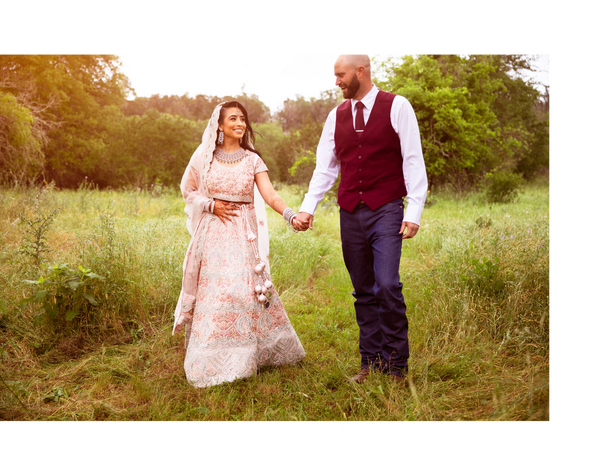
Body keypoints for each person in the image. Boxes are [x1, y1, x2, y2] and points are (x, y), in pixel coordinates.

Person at [295, 51, 428, 384]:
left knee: (386, 285)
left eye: (340, 75)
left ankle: (397, 364)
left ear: (361, 71)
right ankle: (371, 362)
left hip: (386, 209)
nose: (336, 81)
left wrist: (413, 211)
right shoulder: (335, 116)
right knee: (363, 290)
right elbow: (325, 168)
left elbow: (413, 161)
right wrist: (308, 207)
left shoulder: (397, 106)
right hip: (350, 213)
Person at [173, 101, 305, 388]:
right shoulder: (204, 156)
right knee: (218, 293)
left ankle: (248, 358)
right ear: (219, 125)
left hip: (243, 234)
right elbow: (188, 190)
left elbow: (270, 195)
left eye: (243, 119)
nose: (239, 123)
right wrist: (210, 204)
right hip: (214, 234)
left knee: (244, 292)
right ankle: (211, 359)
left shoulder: (252, 160)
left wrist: (290, 215)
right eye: (232, 118)